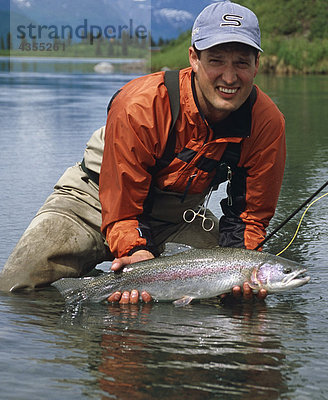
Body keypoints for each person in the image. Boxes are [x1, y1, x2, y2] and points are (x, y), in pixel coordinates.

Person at [0, 1, 286, 304]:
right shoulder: (141, 104)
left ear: (257, 64)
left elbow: (249, 217)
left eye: (242, 63)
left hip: (177, 217)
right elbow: (122, 207)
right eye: (216, 60)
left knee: (232, 293)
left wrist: (240, 265)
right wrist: (136, 252)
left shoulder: (266, 123)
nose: (229, 77)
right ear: (194, 58)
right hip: (93, 200)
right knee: (17, 289)